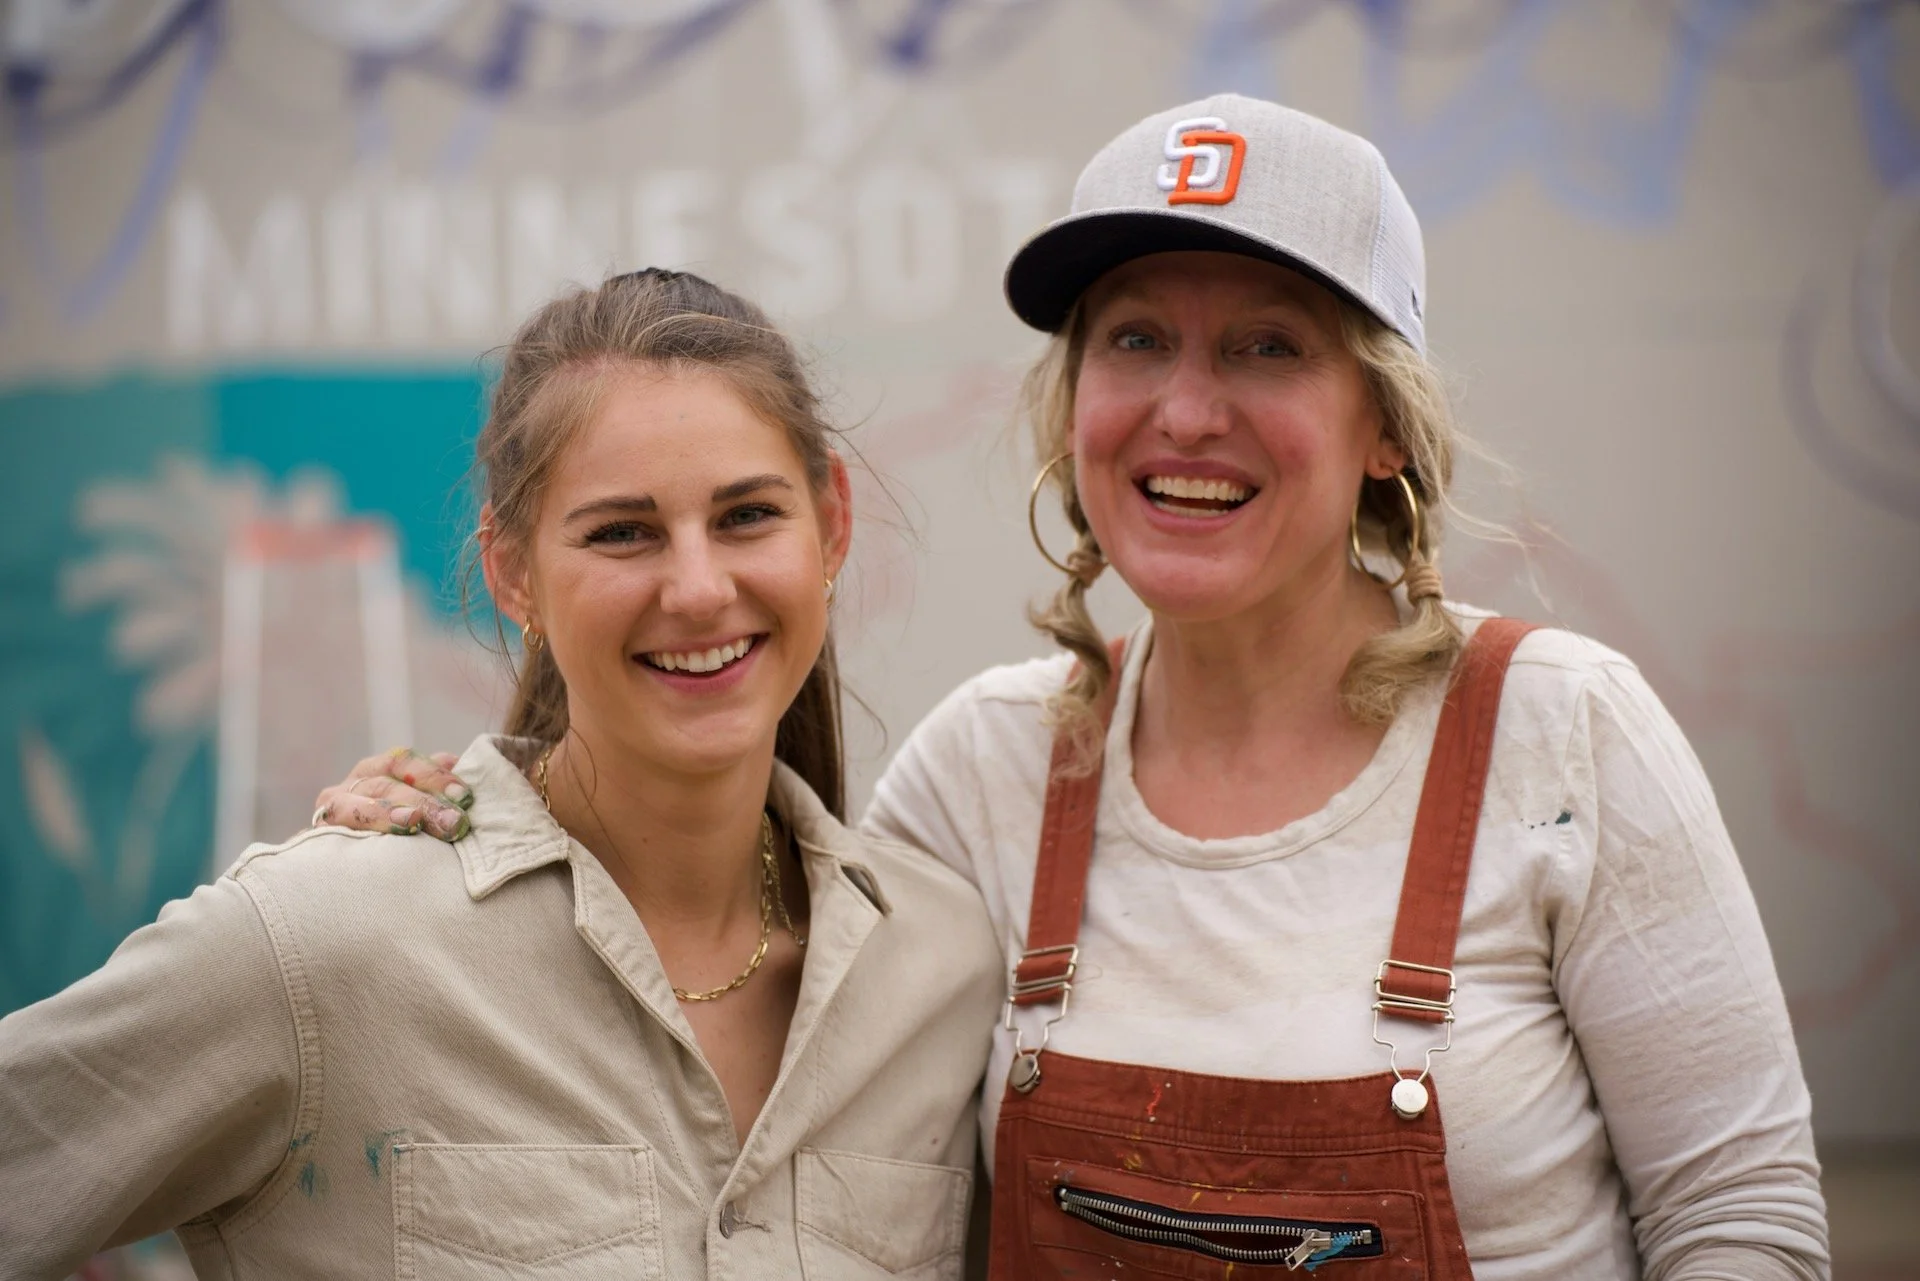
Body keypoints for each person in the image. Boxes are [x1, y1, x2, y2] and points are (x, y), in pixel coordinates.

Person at [302, 96, 1829, 1279]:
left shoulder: (1563, 735)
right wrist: (454, 831)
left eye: (1268, 347)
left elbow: (1741, 1215)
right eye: (1137, 339)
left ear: (1386, 424)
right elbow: (722, 981)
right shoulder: (984, 774)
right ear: (1073, 402)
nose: (1187, 409)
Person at [0, 269, 1001, 1280]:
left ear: (831, 522)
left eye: (747, 515)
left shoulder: (947, 970)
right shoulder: (324, 945)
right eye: (623, 532)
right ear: (513, 573)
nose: (699, 588)